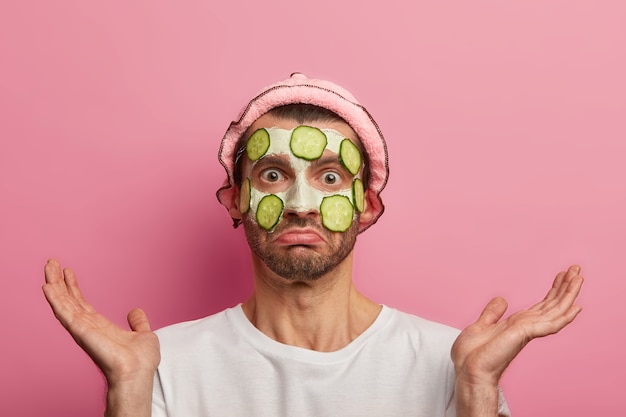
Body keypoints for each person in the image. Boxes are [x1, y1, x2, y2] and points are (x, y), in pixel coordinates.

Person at [43, 73, 584, 417]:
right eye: (275, 174)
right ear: (235, 199)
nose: (301, 204)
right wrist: (129, 396)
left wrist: (477, 390)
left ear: (367, 205)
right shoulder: (161, 365)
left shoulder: (458, 363)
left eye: (329, 178)